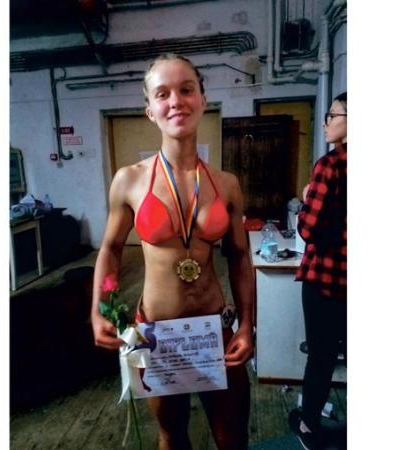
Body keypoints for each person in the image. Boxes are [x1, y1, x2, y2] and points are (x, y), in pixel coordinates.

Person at [91, 53, 254, 450]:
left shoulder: (226, 184)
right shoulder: (129, 180)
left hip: (214, 332)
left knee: (232, 438)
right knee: (171, 437)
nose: (176, 101)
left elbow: (239, 257)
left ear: (202, 99)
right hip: (157, 335)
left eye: (186, 89)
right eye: (163, 94)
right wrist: (100, 308)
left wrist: (247, 324)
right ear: (150, 110)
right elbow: (111, 248)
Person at [290, 92, 347, 450]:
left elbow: (308, 229)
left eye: (333, 115)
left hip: (327, 278)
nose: (326, 122)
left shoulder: (331, 165)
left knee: (322, 356)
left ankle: (308, 425)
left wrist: (308, 197)